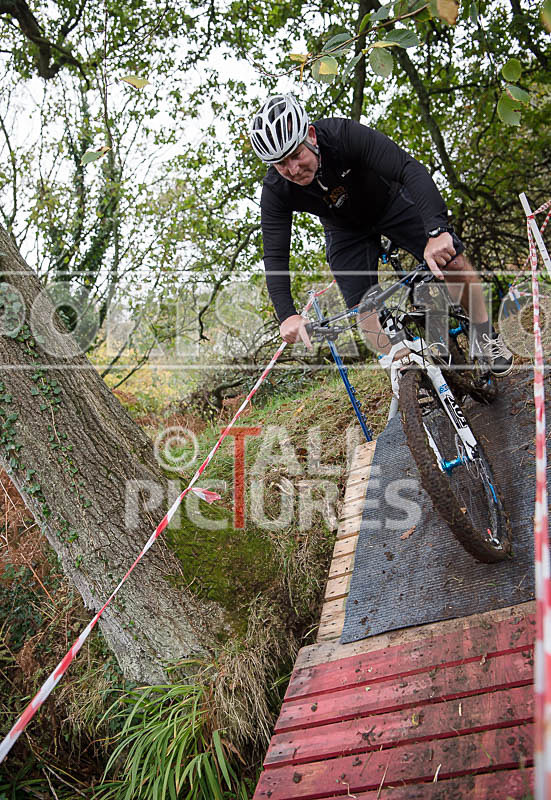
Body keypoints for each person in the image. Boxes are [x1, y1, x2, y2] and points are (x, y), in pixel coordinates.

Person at [249, 93, 513, 376]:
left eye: (295, 155)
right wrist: (287, 314)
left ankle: (486, 336)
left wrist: (437, 231)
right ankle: (407, 372)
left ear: (310, 136)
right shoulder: (276, 189)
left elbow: (407, 168)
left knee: (453, 261)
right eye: (280, 164)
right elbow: (275, 254)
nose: (292, 169)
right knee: (363, 311)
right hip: (344, 229)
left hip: (389, 204)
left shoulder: (343, 135)